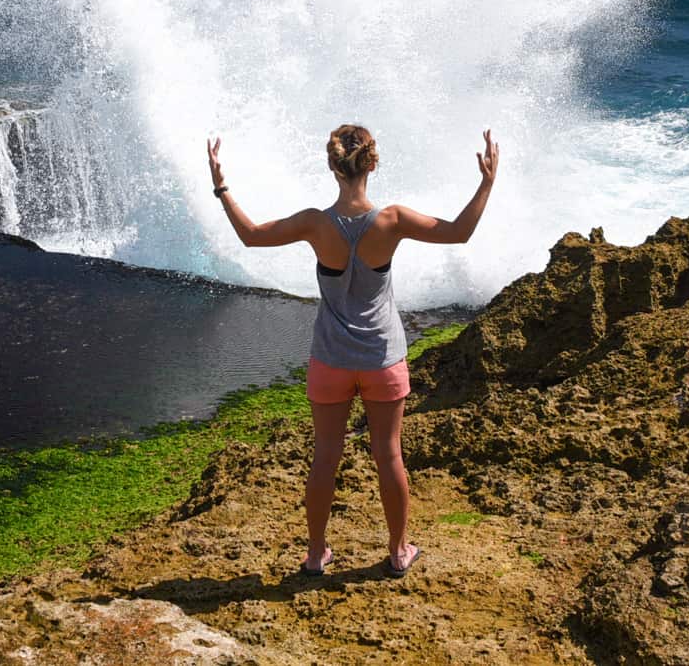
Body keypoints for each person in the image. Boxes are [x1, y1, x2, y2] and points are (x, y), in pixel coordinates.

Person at [204, 124, 499, 578]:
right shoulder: (392, 221)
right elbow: (460, 232)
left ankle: (316, 554)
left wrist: (221, 186)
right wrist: (486, 182)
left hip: (331, 360)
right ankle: (400, 551)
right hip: (383, 360)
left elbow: (251, 236)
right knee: (389, 454)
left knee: (326, 456)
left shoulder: (315, 224)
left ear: (331, 166)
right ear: (372, 164)